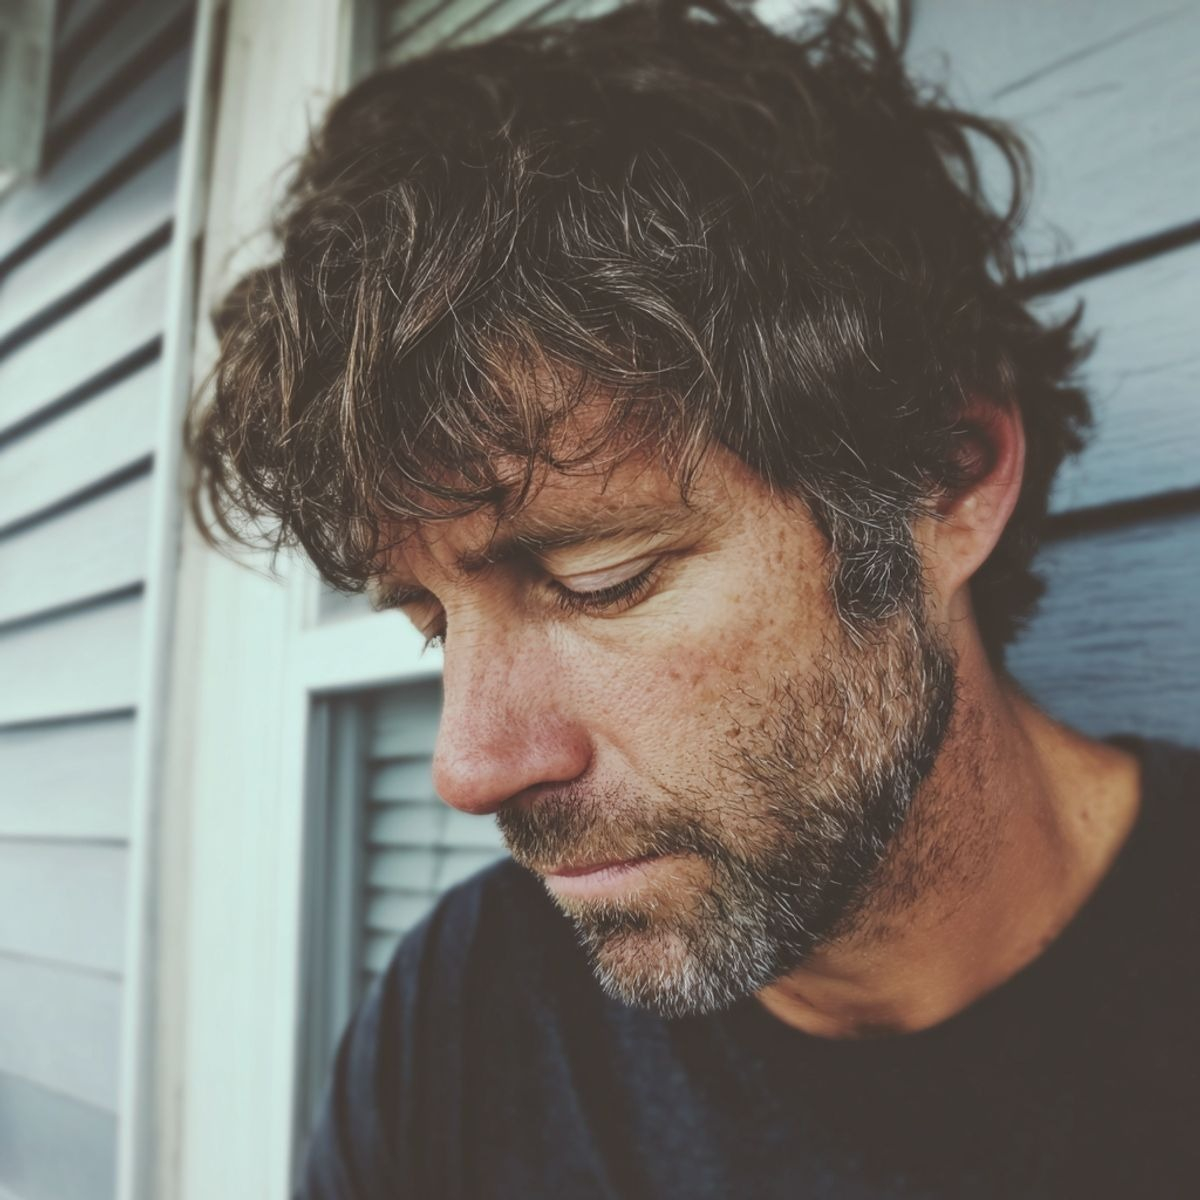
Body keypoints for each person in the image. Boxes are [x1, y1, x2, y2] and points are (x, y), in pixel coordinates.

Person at [189, 1, 1199, 1195]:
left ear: (947, 477)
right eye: (431, 623)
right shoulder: (460, 1011)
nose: (468, 768)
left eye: (599, 579)